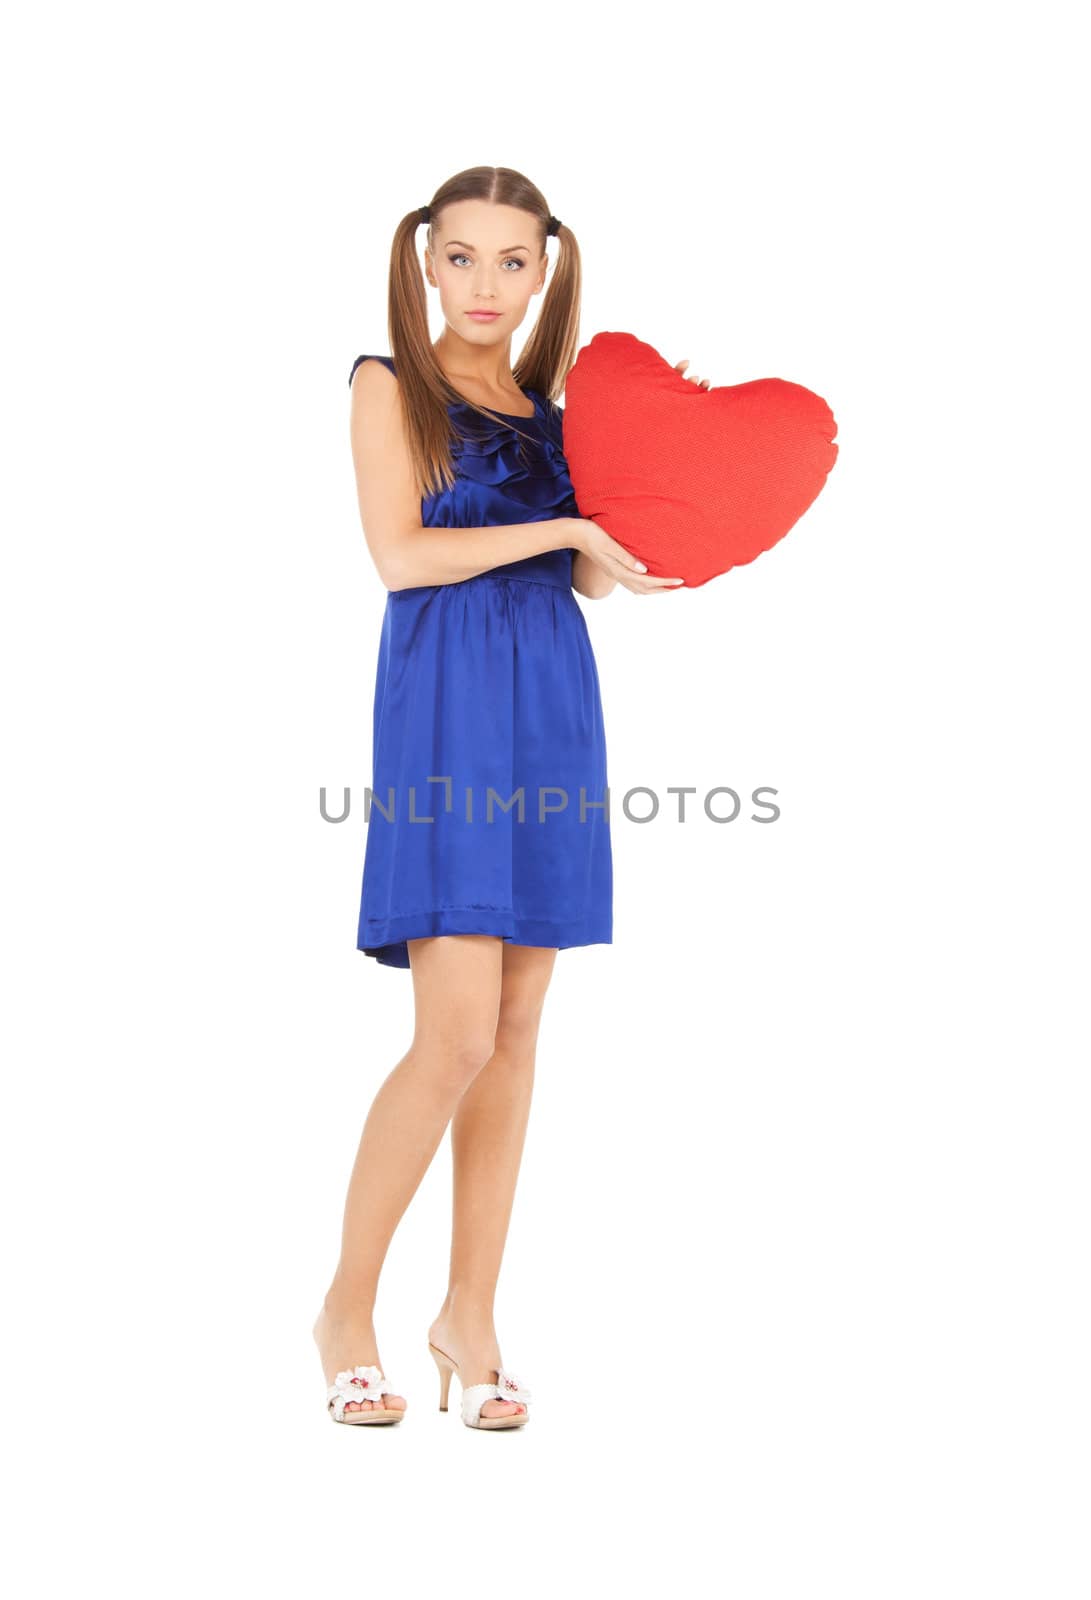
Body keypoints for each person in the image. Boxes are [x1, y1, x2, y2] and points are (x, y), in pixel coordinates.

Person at [314, 166, 708, 1429]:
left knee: (519, 1024)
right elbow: (400, 554)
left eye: (513, 262)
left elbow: (583, 579)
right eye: (465, 257)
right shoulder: (389, 384)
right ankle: (343, 1308)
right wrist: (565, 536)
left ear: (546, 270)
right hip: (446, 713)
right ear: (426, 258)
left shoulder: (552, 411)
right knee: (452, 1033)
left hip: (551, 709)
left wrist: (636, 548)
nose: (487, 285)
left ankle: (468, 1313)